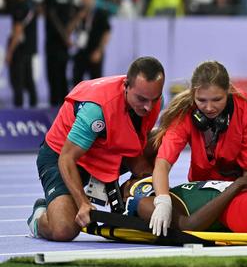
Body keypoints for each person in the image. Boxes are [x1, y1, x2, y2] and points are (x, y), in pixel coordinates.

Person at [27, 57, 165, 242]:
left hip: (106, 149)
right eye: (141, 99)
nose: (148, 106)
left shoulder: (153, 101)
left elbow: (134, 138)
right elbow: (66, 159)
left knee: (161, 141)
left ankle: (128, 198)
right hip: (63, 156)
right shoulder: (96, 110)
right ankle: (39, 216)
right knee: (64, 229)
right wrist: (83, 203)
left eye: (153, 99)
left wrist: (156, 191)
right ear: (126, 86)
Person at [149, 61, 247, 237]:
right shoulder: (184, 112)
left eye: (217, 100)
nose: (209, 108)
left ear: (228, 92)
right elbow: (162, 163)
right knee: (146, 203)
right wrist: (162, 201)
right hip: (201, 190)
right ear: (192, 95)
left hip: (242, 190)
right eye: (201, 100)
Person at [5, 0, 37, 107]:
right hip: (29, 48)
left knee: (18, 80)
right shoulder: (30, 4)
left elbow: (18, 30)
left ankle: (18, 110)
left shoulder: (20, 6)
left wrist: (10, 52)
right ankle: (33, 108)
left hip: (20, 49)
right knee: (28, 80)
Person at [71, 0, 111, 85]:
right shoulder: (77, 11)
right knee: (77, 79)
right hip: (80, 50)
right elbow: (70, 29)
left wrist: (99, 50)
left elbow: (106, 32)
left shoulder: (101, 12)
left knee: (96, 82)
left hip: (95, 50)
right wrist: (78, 17)